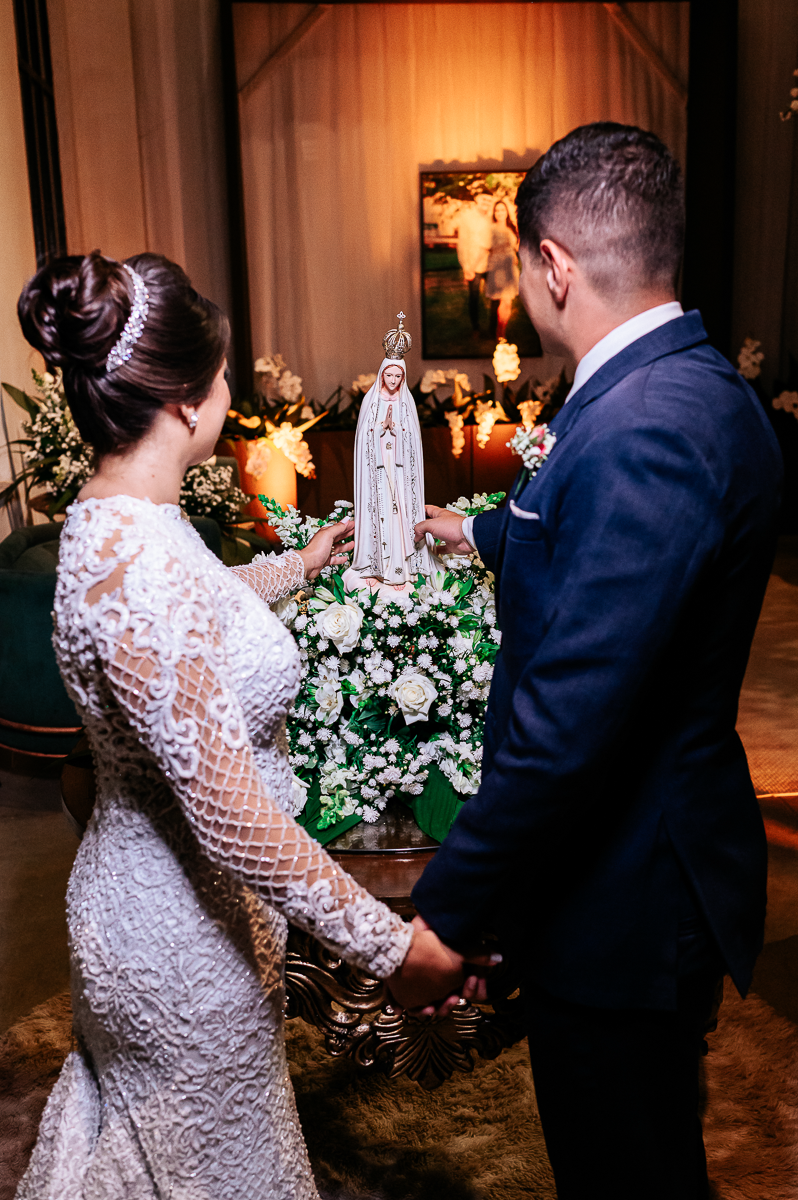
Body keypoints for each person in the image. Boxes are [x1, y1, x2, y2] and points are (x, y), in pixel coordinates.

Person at [14, 252, 489, 1200]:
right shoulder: (137, 555)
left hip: (149, 910)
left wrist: (297, 565)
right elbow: (230, 814)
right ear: (189, 402)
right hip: (181, 941)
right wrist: (394, 948)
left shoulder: (118, 520)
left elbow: (187, 625)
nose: (233, 389)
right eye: (226, 373)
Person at [410, 123, 782, 1199]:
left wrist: (450, 910)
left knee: (628, 1169)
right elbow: (618, 551)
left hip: (625, 895)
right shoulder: (683, 386)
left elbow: (570, 716)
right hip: (627, 871)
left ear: (553, 266)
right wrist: (476, 532)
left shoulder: (645, 424)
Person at [349, 350, 432, 592]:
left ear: (403, 377)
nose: (393, 380)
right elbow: (363, 436)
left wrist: (396, 429)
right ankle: (376, 567)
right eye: (389, 375)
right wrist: (378, 429)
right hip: (376, 473)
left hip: (399, 472)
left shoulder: (406, 403)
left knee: (400, 516)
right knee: (379, 513)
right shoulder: (371, 400)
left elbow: (413, 439)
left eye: (398, 376)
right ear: (382, 374)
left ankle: (402, 569)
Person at [455, 190, 494, 333]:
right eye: (484, 199)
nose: (487, 203)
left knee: (495, 296)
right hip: (473, 265)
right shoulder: (467, 217)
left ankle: (493, 328)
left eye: (490, 201)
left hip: (491, 264)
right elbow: (462, 243)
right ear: (477, 199)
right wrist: (466, 266)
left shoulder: (491, 218)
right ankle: (475, 328)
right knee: (474, 297)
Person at [486, 199, 520, 339]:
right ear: (494, 213)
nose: (500, 213)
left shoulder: (511, 228)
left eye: (502, 210)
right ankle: (499, 332)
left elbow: (515, 247)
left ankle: (501, 329)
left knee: (508, 301)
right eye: (497, 210)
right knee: (503, 300)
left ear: (507, 212)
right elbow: (488, 247)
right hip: (498, 267)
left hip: (510, 267)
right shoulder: (491, 228)